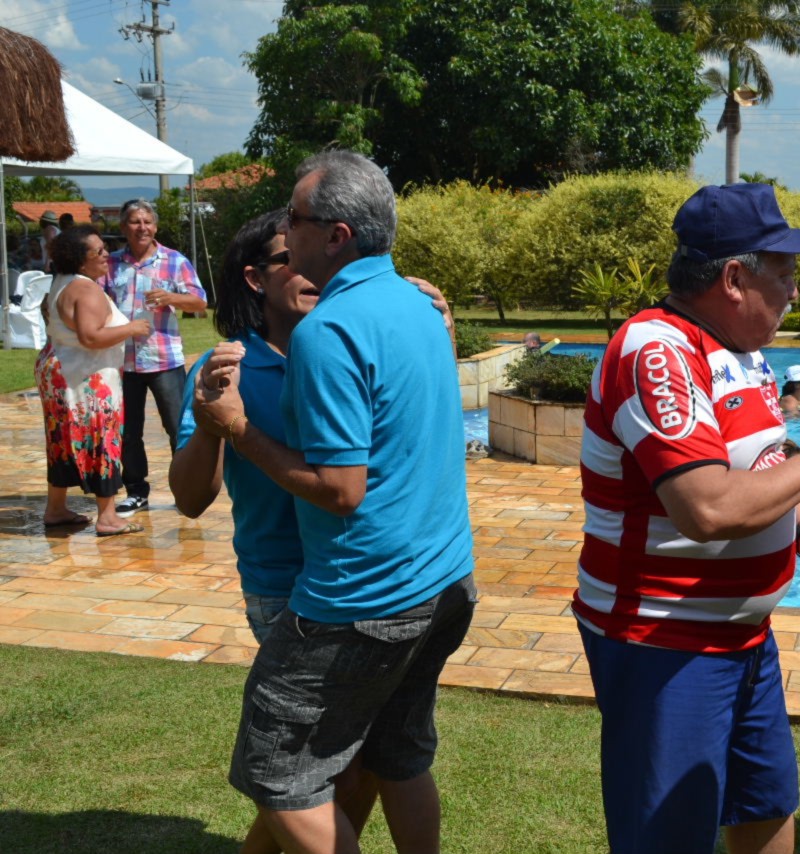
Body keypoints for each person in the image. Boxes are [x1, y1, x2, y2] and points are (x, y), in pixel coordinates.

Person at [574, 182, 800, 854]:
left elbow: (759, 465)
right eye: (785, 274)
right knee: (667, 839)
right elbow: (706, 507)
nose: (796, 291)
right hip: (663, 642)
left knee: (766, 808)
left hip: (742, 637)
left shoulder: (740, 351)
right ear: (734, 279)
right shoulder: (656, 353)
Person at [195, 150, 474, 854]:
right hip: (445, 583)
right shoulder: (422, 306)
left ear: (337, 235)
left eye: (295, 218)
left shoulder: (329, 331)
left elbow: (341, 490)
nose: (286, 232)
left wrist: (238, 428)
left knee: (277, 773)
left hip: (361, 598)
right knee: (396, 755)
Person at [35, 226, 150, 535]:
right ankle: (108, 516)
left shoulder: (61, 282)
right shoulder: (86, 290)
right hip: (84, 376)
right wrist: (133, 328)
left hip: (60, 369)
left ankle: (56, 509)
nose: (106, 255)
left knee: (60, 441)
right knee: (102, 438)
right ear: (80, 259)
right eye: (98, 251)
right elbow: (91, 336)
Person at [106, 198, 207, 516]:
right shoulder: (110, 264)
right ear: (123, 227)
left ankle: (187, 490)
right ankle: (136, 491)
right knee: (128, 431)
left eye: (147, 221)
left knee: (178, 427)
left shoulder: (174, 261)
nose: (142, 227)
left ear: (156, 226)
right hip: (122, 360)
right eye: (135, 221)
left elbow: (200, 302)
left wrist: (171, 297)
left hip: (163, 358)